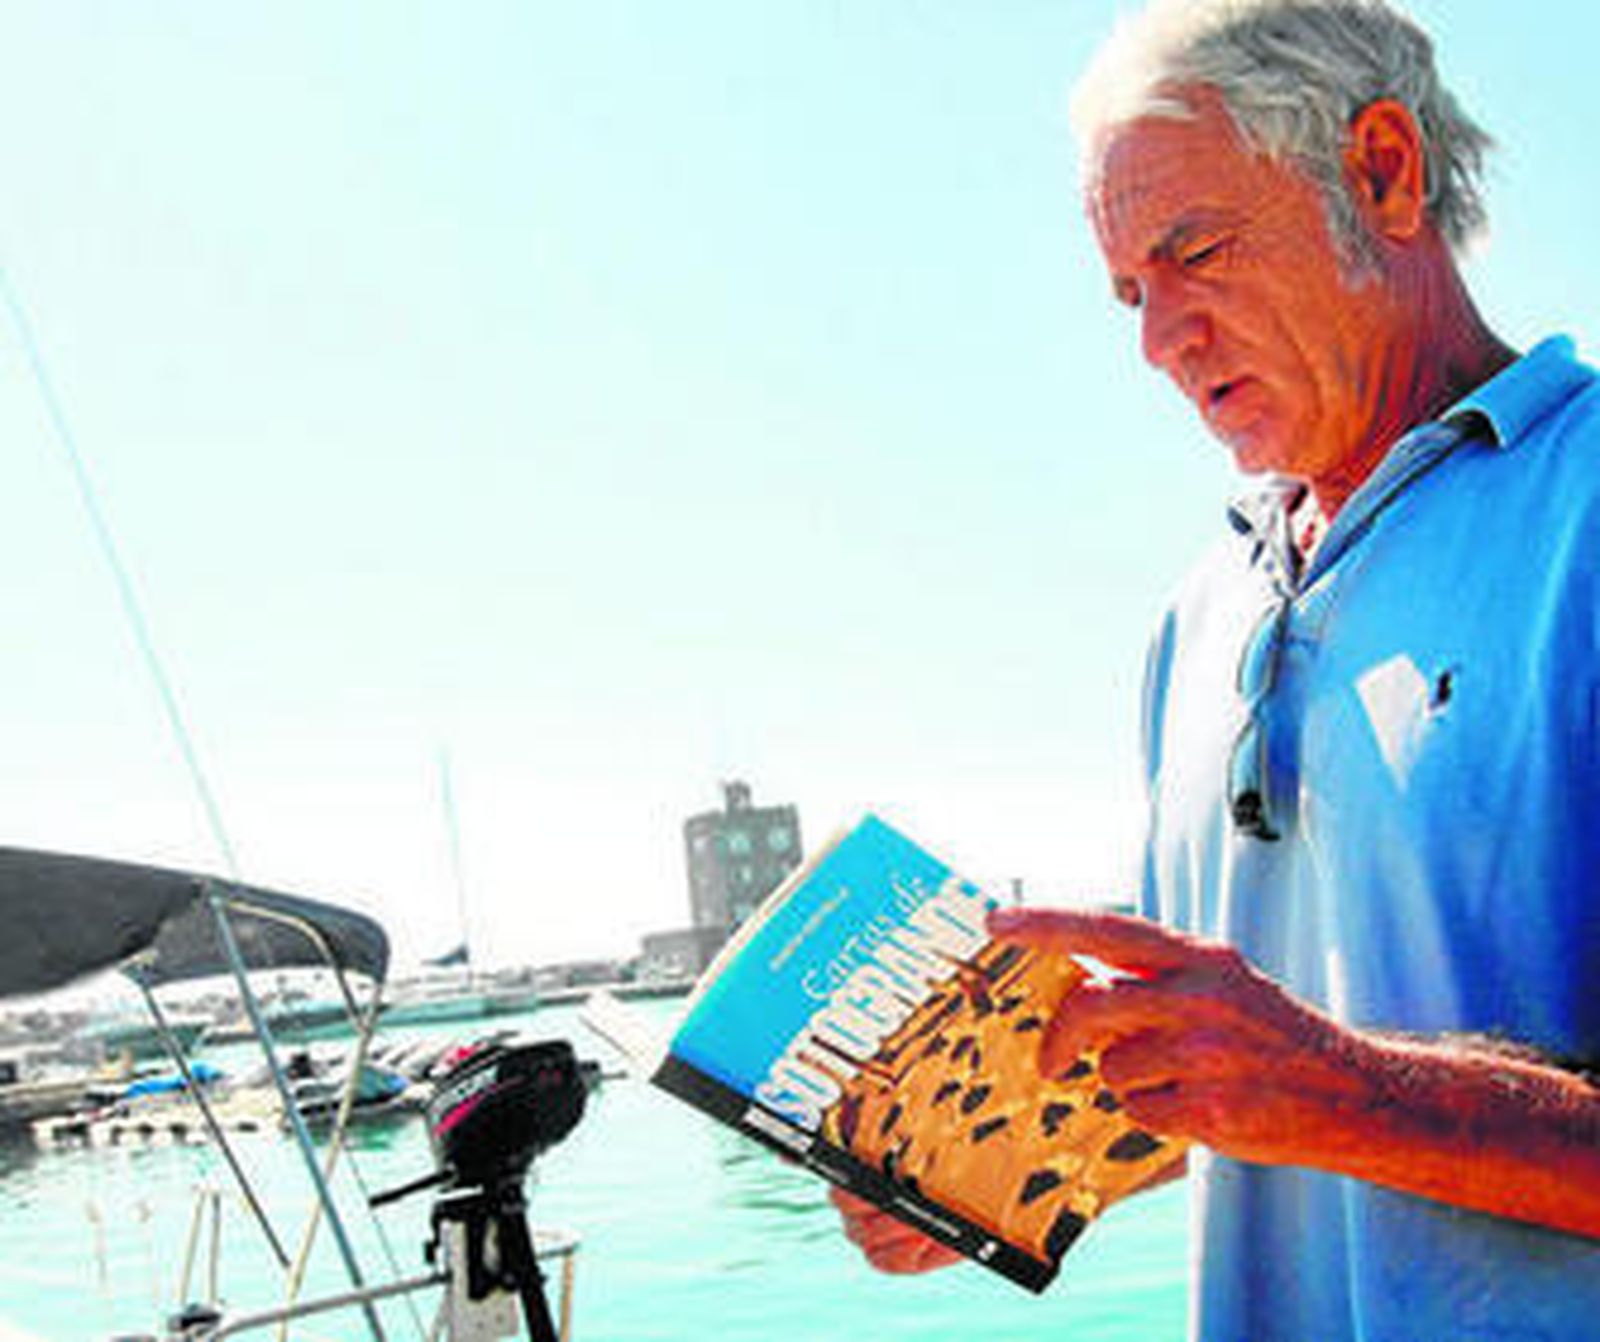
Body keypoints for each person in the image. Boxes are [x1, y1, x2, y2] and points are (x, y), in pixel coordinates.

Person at [833, 2, 1600, 1336]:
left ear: (1383, 172)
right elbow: (1226, 1083)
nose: (1155, 339)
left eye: (1195, 252)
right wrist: (976, 1172)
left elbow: (1310, 1081)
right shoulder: (1194, 618)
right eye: (1132, 290)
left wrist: (1345, 1089)